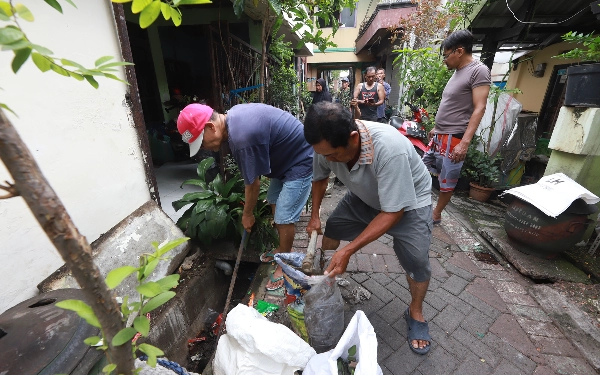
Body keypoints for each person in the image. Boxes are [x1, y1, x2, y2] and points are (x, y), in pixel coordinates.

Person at [303, 101, 434, 354]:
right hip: (364, 195)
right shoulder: (324, 146)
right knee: (333, 228)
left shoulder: (389, 148)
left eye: (331, 155)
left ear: (353, 139)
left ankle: (415, 313)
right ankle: (325, 277)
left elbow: (393, 211)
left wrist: (349, 250)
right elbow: (320, 178)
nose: (326, 159)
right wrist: (314, 216)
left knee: (416, 260)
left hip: (408, 202)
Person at [177, 103, 313, 292]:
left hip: (300, 160)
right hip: (284, 162)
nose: (203, 148)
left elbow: (253, 184)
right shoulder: (233, 119)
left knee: (284, 217)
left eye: (201, 142)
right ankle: (281, 250)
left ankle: (285, 264)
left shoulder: (241, 138)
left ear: (210, 127)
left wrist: (247, 214)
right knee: (273, 200)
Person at [422, 30, 491, 224]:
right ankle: (419, 205)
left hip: (455, 138)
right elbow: (453, 105)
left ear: (459, 51)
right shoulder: (458, 72)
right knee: (420, 168)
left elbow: (480, 107)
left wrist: (465, 143)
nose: (444, 60)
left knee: (447, 180)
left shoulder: (479, 70)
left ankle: (436, 214)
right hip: (440, 135)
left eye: (446, 55)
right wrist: (438, 128)